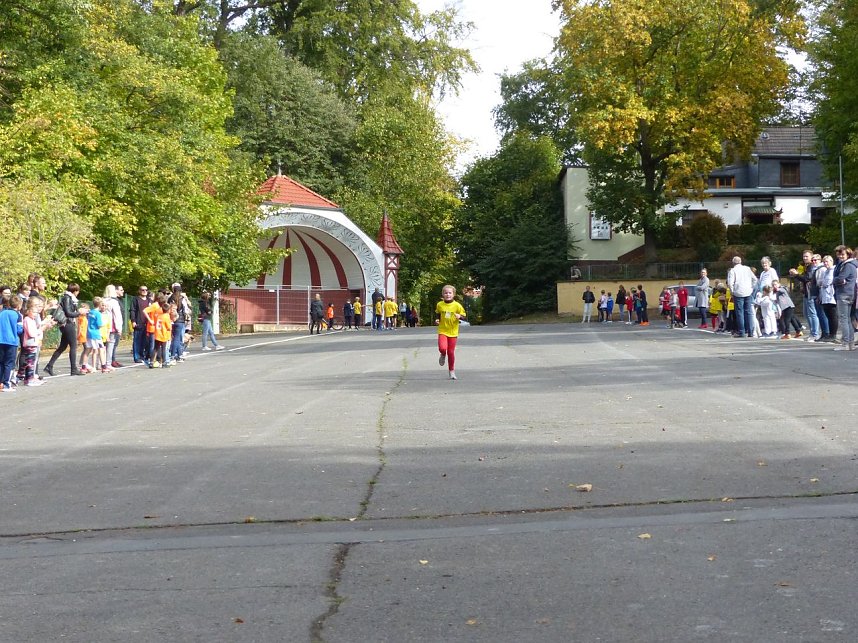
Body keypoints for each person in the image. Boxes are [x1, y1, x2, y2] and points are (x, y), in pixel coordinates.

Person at [44, 283, 83, 377]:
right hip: (67, 323)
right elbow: (68, 313)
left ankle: (49, 365)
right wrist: (79, 313)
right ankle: (73, 369)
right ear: (75, 291)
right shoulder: (68, 298)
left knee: (63, 346)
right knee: (73, 345)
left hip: (66, 324)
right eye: (77, 291)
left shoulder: (68, 298)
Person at [435, 285, 466, 380]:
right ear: (443, 294)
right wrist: (437, 320)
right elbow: (438, 313)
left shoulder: (457, 305)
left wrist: (459, 316)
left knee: (451, 352)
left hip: (453, 332)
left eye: (450, 293)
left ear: (453, 294)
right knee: (442, 348)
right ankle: (443, 354)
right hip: (443, 330)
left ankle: (451, 371)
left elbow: (464, 316)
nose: (447, 294)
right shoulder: (440, 304)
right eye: (445, 293)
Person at [789, 250, 821, 341]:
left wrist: (796, 275)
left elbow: (807, 278)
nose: (805, 258)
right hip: (806, 293)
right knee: (807, 314)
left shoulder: (811, 267)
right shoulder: (806, 267)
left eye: (807, 256)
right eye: (804, 256)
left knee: (812, 314)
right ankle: (812, 333)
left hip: (810, 293)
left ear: (811, 257)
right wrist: (796, 275)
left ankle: (815, 333)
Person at [832, 245, 856, 350]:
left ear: (848, 254)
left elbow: (840, 278)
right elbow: (841, 279)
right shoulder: (850, 264)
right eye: (838, 254)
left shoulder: (847, 265)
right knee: (849, 319)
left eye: (842, 254)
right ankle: (850, 343)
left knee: (843, 319)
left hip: (844, 293)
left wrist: (835, 280)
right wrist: (839, 280)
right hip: (849, 293)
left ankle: (845, 343)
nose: (840, 256)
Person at [727, 256, 758, 338]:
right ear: (740, 262)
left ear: (733, 263)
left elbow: (730, 283)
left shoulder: (732, 270)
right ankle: (751, 331)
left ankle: (742, 332)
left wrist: (732, 291)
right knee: (749, 312)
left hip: (738, 293)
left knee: (740, 313)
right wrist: (751, 288)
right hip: (748, 291)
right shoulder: (747, 269)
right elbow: (755, 279)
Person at [0, 295, 23, 392]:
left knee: (1, 362)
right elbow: (19, 330)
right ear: (19, 306)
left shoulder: (2, 313)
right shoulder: (18, 315)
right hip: (12, 341)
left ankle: (0, 382)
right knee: (9, 363)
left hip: (1, 340)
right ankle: (6, 383)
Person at [816, 255, 837, 342]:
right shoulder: (825, 271)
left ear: (831, 262)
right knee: (828, 316)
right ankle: (829, 334)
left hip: (831, 297)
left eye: (827, 261)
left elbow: (828, 282)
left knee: (833, 316)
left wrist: (823, 283)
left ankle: (833, 335)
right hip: (825, 296)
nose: (825, 263)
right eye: (824, 262)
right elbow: (821, 283)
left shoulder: (834, 271)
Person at [103, 285, 124, 368]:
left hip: (102, 326)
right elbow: (117, 316)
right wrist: (119, 328)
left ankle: (100, 363)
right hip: (111, 326)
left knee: (102, 346)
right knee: (110, 345)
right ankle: (108, 363)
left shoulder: (103, 300)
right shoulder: (113, 302)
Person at [130, 286, 152, 363]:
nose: (144, 291)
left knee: (146, 341)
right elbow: (132, 310)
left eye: (146, 290)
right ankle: (137, 357)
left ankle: (144, 356)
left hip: (148, 323)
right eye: (142, 290)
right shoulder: (136, 299)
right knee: (137, 341)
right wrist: (133, 321)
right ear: (139, 291)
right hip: (139, 322)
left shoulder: (149, 300)